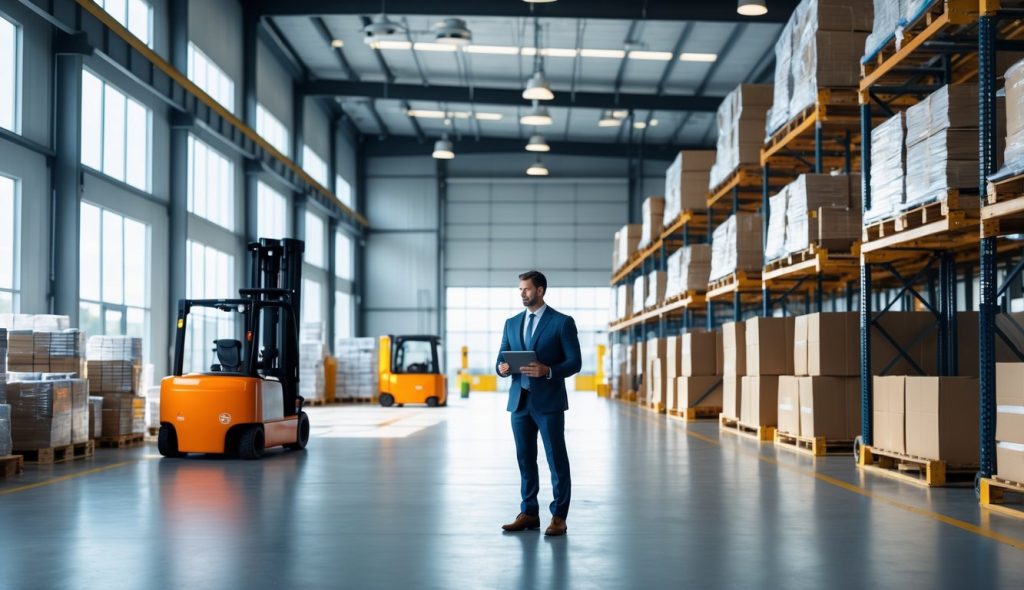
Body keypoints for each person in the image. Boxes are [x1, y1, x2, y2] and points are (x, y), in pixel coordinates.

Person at [496, 270, 581, 537]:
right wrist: (503, 368)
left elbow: (574, 362)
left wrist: (548, 371)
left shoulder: (562, 322)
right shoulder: (511, 323)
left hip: (549, 403)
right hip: (519, 402)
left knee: (556, 459)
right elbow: (499, 361)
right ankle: (529, 512)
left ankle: (558, 516)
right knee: (525, 459)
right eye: (520, 289)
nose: (522, 293)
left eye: (526, 289)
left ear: (540, 290)